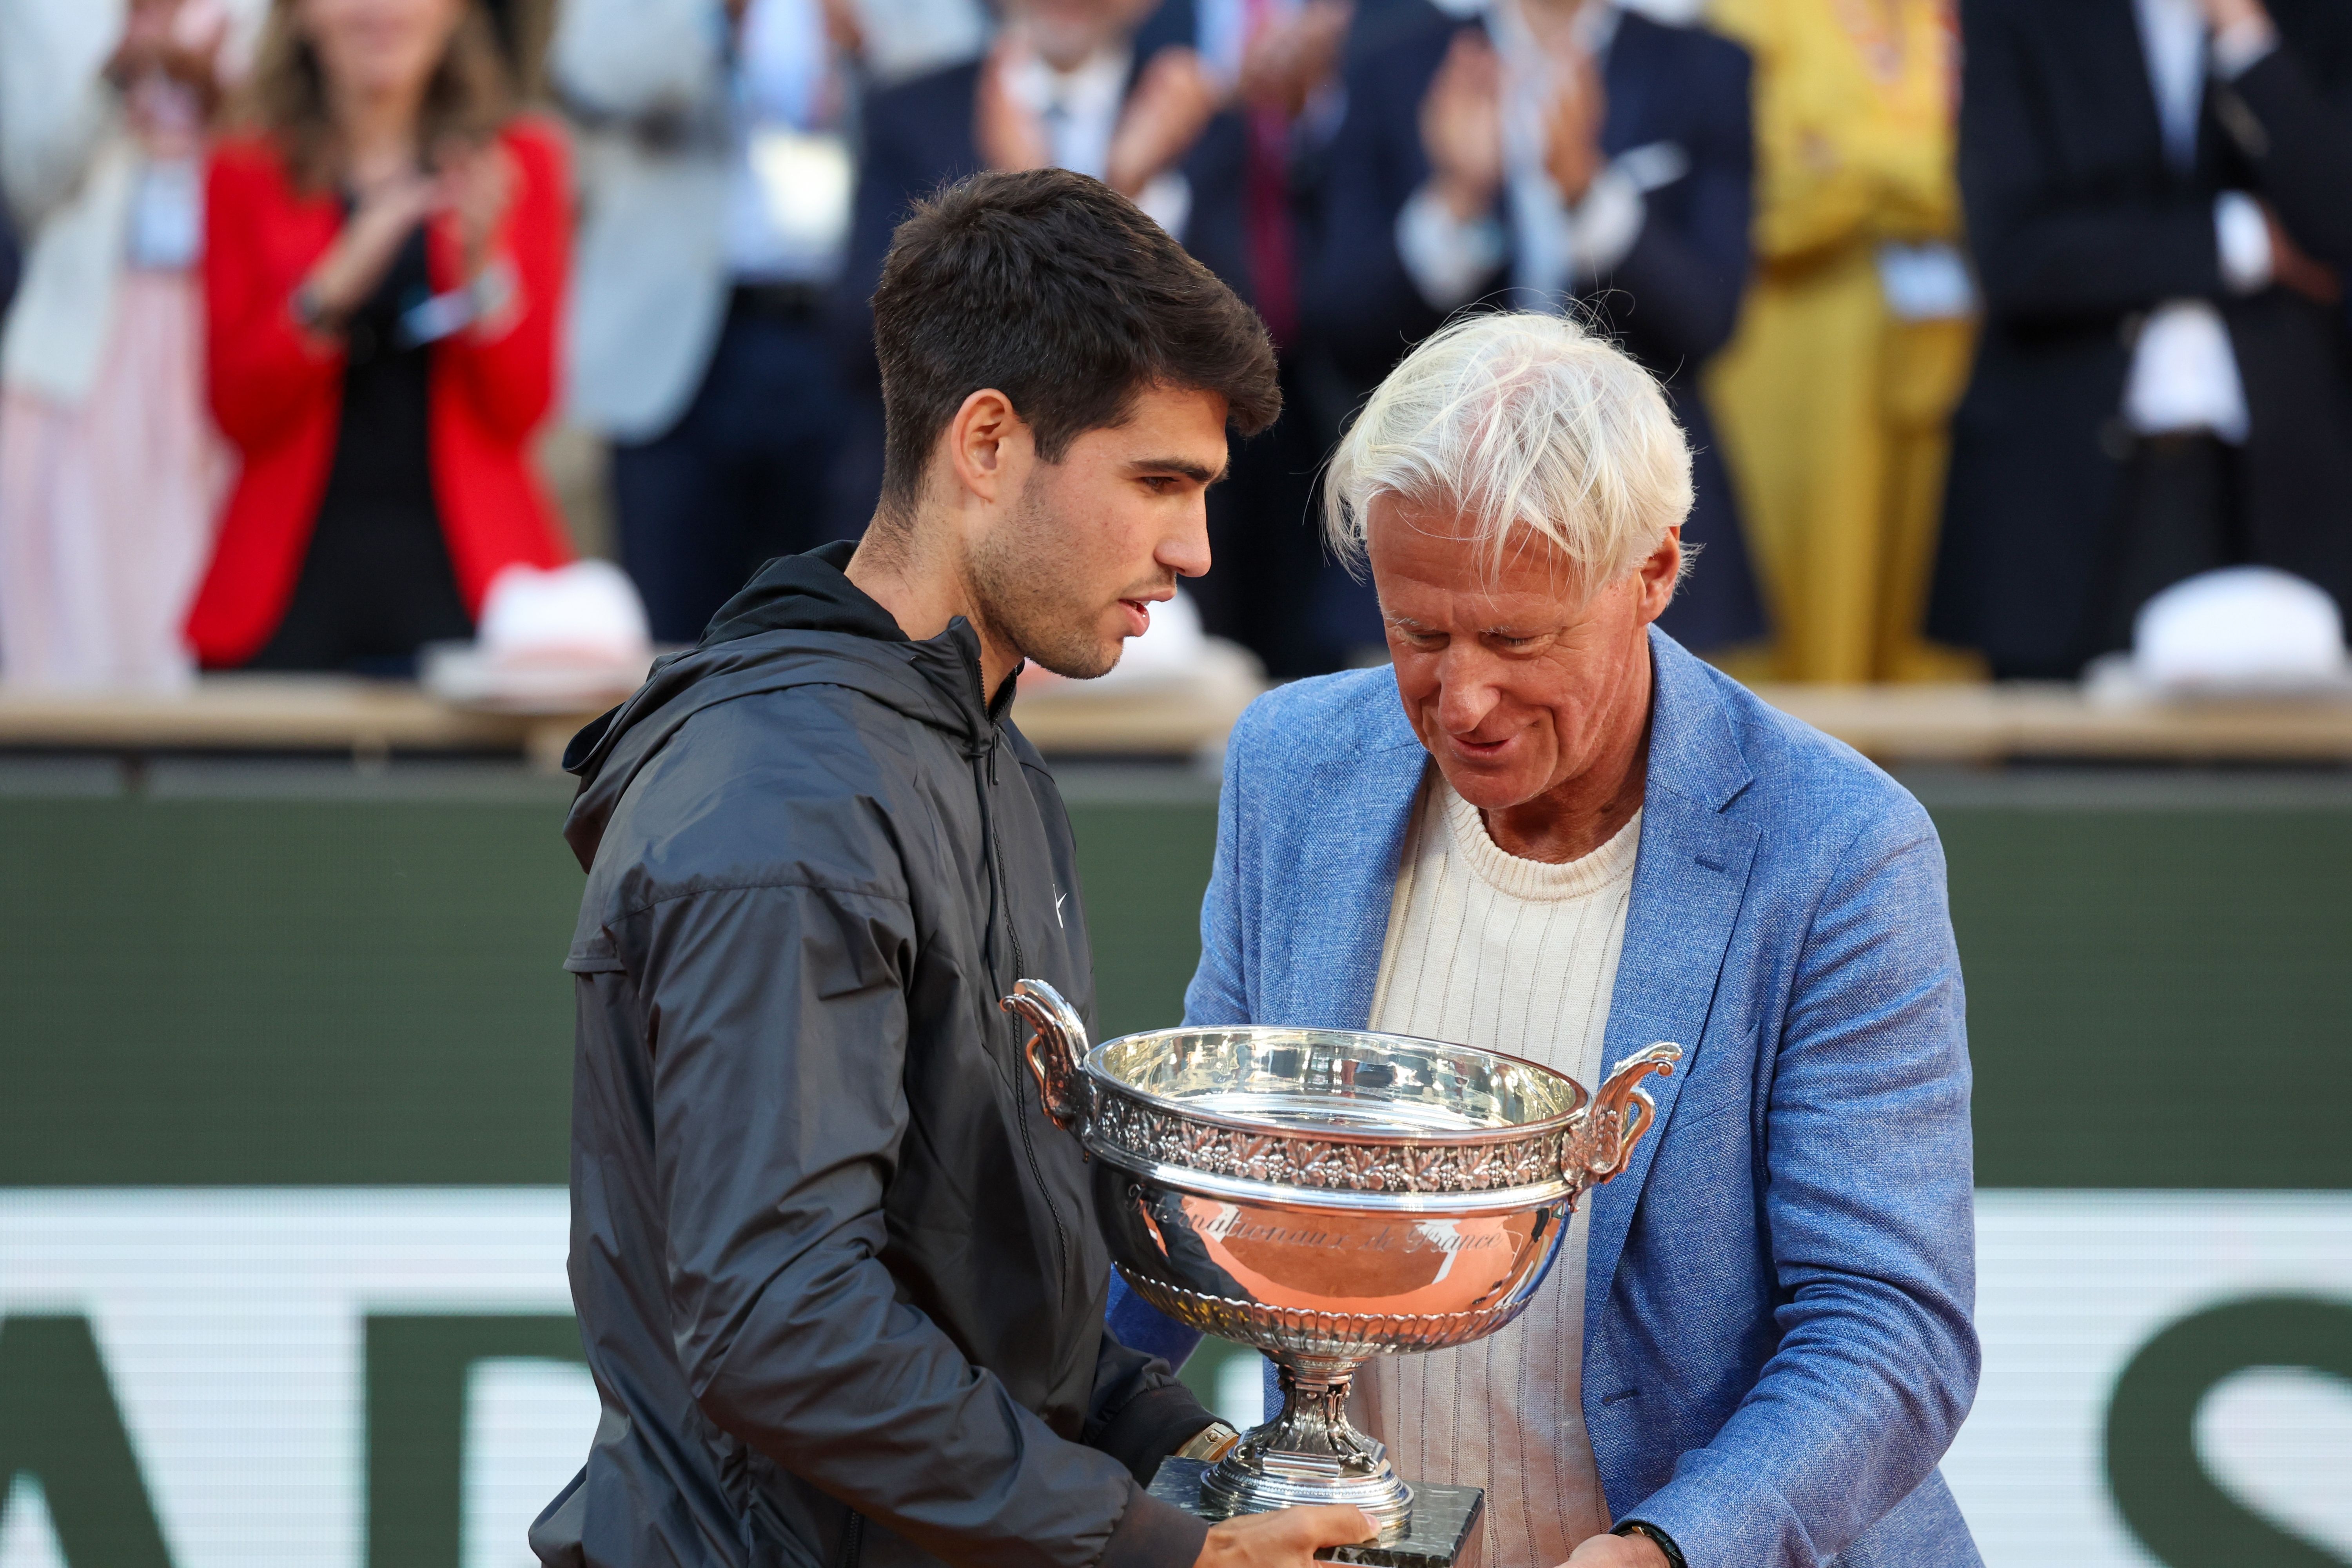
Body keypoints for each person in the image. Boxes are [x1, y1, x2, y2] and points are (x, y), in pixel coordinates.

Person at [537, 167, 1376, 1568]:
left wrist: (1194, 1456)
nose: (1194, 547)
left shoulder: (983, 749)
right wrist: (1153, 1548)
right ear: (987, 442)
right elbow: (781, 1324)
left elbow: (997, 1287)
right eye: (1158, 481)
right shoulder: (779, 802)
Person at [1120, 311, 1980, 1568]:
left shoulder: (1843, 850)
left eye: (1518, 640)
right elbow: (1197, 1189)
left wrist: (1673, 1548)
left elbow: (1891, 1325)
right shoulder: (1292, 766)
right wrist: (1027, 1446)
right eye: (1418, 632)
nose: (1462, 698)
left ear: (1654, 576)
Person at [1305, 0, 1765, 657]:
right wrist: (1457, 201)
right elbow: (1343, 327)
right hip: (1430, 510)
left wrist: (1587, 194)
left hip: (1638, 521)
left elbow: (1708, 322)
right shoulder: (1393, 66)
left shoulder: (1703, 66)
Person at [1930, 0, 2352, 679]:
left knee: (2275, 772)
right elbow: (2015, 255)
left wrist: (2246, 39)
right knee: (2065, 770)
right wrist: (2243, 239)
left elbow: (2336, 218)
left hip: (2282, 484)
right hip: (2070, 487)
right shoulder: (2020, 16)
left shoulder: (2316, 21)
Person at [185, 0, 571, 673]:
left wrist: (484, 275)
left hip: (470, 585)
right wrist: (328, 294)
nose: (381, 11)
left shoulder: (521, 164)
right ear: (299, 15)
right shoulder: (243, 169)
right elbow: (235, 411)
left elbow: (524, 411)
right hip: (288, 589)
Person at [831, 0, 1230, 535]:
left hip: (1155, 518)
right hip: (952, 514)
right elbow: (863, 333)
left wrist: (1129, 196)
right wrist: (1028, 212)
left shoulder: (1203, 121)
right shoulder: (912, 114)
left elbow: (1239, 348)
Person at [548, 0, 871, 646]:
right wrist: (716, 17)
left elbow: (957, 66)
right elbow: (593, 73)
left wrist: (861, 36)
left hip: (846, 338)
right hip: (681, 348)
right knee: (673, 641)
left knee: (849, 632)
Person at [1701, 0, 1979, 683]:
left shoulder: (1953, 16)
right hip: (1804, 381)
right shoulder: (1752, 13)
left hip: (1948, 365)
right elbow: (1777, 200)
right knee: (1808, 633)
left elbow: (2001, 174)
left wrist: (1848, 156)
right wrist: (1931, 169)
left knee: (1938, 617)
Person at [0, 0, 255, 688]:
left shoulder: (259, 15)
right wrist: (113, 82)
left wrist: (220, 96)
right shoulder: (41, 16)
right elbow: (28, 184)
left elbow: (299, 160)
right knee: (73, 589)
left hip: (218, 330)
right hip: (82, 344)